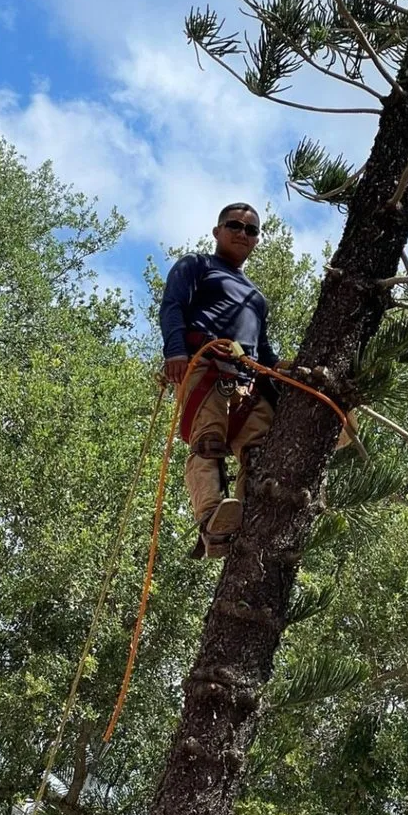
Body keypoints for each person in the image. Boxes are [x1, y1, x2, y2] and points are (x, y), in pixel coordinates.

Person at [159, 203, 279, 559]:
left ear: (257, 240)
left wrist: (281, 373)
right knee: (208, 442)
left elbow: (263, 348)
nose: (243, 233)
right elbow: (173, 306)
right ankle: (212, 519)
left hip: (249, 380)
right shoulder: (197, 266)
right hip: (206, 365)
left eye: (251, 230)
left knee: (258, 454)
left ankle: (241, 517)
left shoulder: (257, 298)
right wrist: (176, 351)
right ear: (217, 231)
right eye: (235, 225)